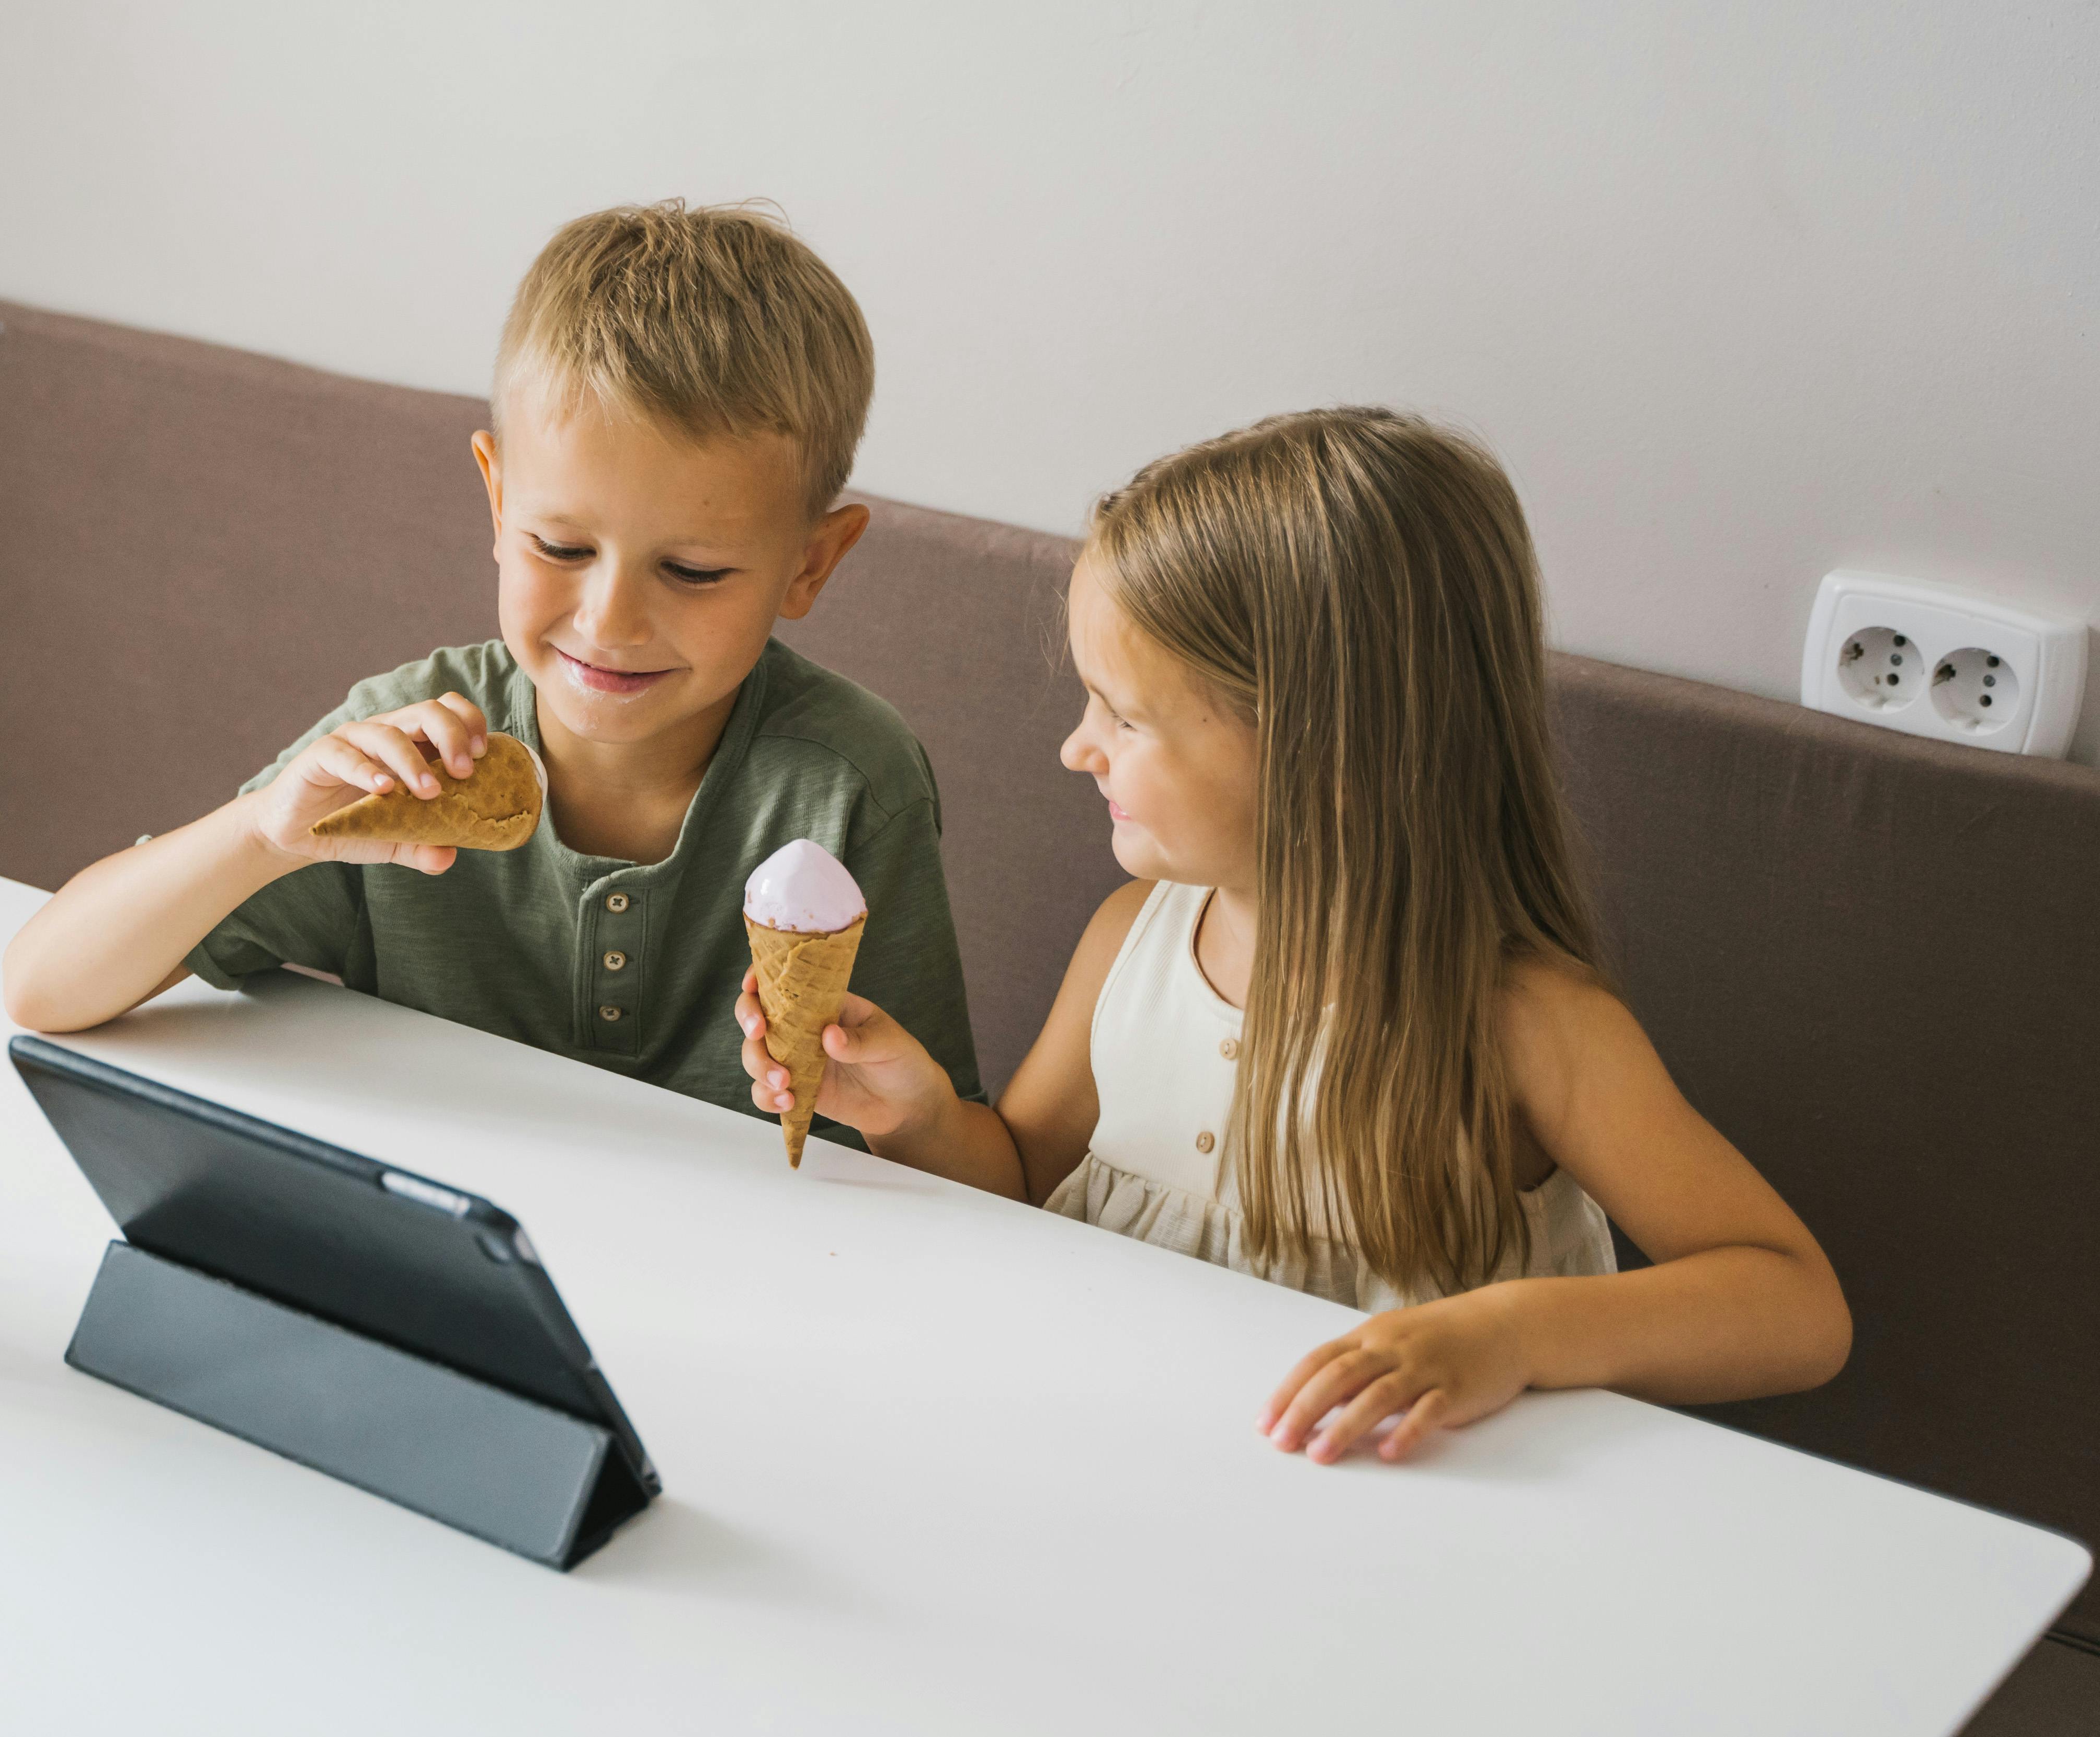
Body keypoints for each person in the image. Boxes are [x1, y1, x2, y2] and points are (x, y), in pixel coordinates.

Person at [736, 407, 1849, 1458]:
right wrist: (919, 1115)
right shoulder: (1133, 939)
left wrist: (1510, 1335)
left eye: (1124, 714)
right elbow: (1027, 1175)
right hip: (1126, 1448)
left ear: (1327, 752)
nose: (1080, 747)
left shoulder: (1521, 1024)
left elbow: (1793, 1302)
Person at [3, 200, 981, 1144]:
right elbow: (45, 986)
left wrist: (914, 1114)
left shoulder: (851, 786)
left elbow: (967, 1174)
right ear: (496, 498)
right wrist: (265, 835)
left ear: (811, 562)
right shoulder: (405, 749)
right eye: (559, 546)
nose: (609, 622)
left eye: (691, 571)